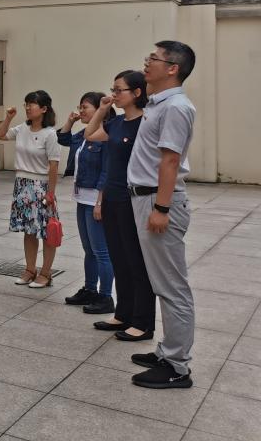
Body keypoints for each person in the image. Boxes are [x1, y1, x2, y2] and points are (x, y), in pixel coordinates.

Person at [125, 41, 197, 389]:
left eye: (153, 58)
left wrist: (161, 208)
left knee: (171, 287)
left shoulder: (176, 107)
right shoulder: (158, 103)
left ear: (172, 68)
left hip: (158, 200)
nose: (146, 62)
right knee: (161, 282)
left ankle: (177, 366)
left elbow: (170, 160)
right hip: (146, 197)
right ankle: (167, 351)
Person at [84, 71, 156, 343]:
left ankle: (143, 322)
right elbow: (90, 134)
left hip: (133, 199)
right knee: (119, 259)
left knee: (136, 261)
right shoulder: (116, 124)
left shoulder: (146, 123)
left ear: (137, 93)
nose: (113, 94)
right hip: (112, 197)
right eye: (112, 89)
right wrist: (102, 109)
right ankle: (123, 313)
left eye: (119, 90)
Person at [0, 90, 63, 288]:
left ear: (44, 109)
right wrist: (8, 118)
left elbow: (54, 165)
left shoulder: (50, 134)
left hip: (40, 186)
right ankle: (30, 269)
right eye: (26, 104)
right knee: (29, 230)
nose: (27, 107)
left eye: (31, 104)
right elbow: (1, 135)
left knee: (46, 230)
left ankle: (46, 273)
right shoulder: (22, 129)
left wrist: (51, 193)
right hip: (22, 184)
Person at [58, 92, 115, 314]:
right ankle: (90, 289)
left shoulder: (106, 135)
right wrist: (70, 121)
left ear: (99, 110)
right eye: (80, 107)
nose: (80, 111)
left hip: (95, 199)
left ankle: (105, 296)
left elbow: (107, 171)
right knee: (88, 249)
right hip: (82, 197)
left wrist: (100, 202)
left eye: (85, 107)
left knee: (101, 251)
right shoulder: (84, 134)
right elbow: (63, 139)